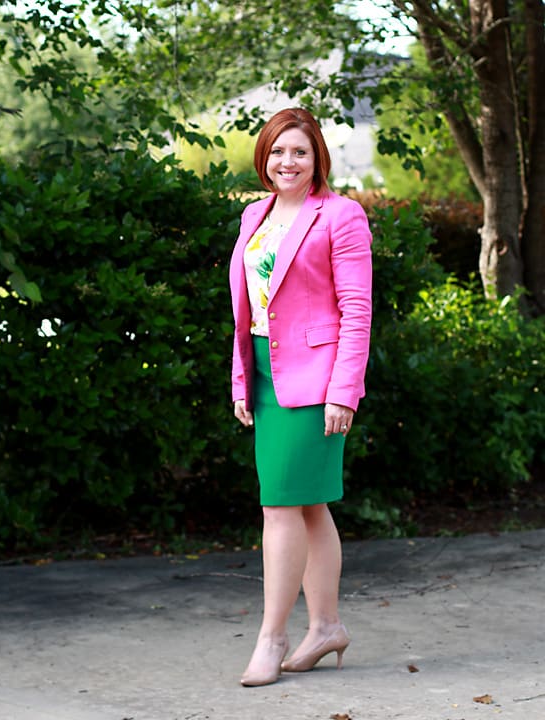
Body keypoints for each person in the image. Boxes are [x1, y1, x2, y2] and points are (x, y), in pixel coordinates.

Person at [229, 107, 373, 687]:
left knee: (280, 504)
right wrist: (242, 379)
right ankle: (327, 627)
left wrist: (345, 391)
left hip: (316, 379)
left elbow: (357, 309)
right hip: (265, 372)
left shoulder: (341, 215)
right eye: (278, 151)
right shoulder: (253, 215)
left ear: (318, 159)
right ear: (264, 157)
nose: (287, 161)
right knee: (309, 505)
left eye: (300, 152)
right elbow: (248, 308)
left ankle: (272, 637)